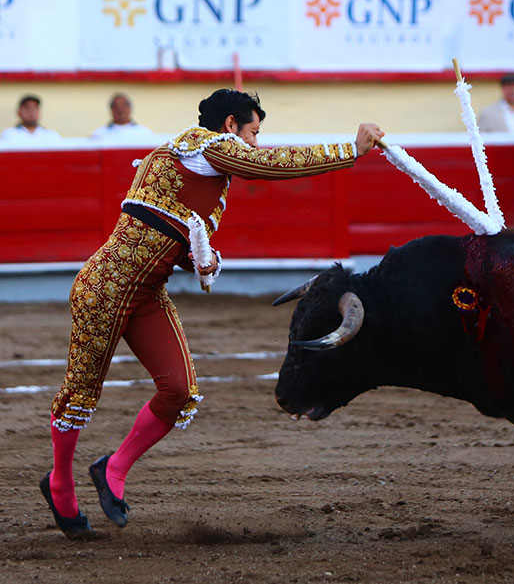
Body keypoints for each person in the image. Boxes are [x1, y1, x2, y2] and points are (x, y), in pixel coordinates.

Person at [40, 88, 385, 537]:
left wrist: (202, 259)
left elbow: (159, 226)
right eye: (254, 132)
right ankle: (60, 483)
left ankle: (112, 469)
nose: (256, 143)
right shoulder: (209, 146)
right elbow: (268, 166)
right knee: (81, 391)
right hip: (105, 288)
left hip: (145, 293)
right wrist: (349, 150)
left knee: (179, 391)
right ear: (229, 126)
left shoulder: (183, 162)